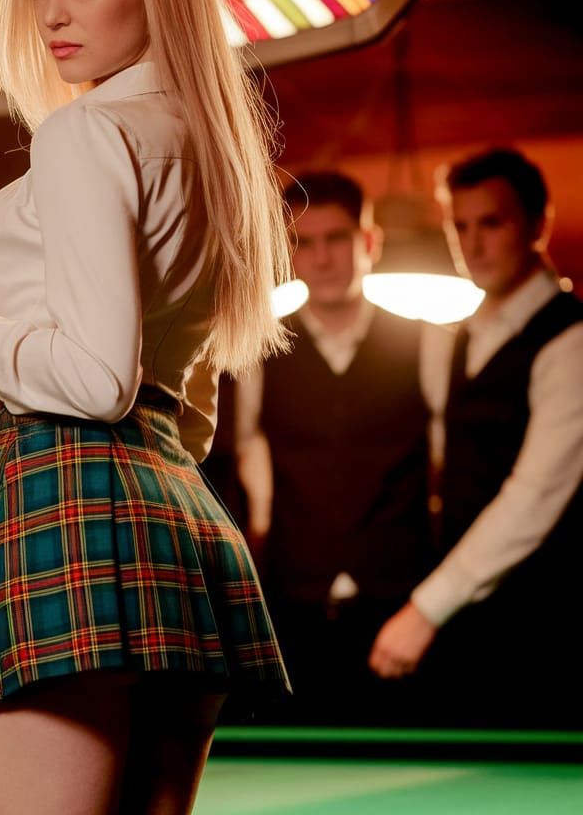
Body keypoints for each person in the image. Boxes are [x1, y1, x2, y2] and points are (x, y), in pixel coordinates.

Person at [0, 0, 291, 814]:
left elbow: (101, 379)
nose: (52, 14)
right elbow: (189, 408)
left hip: (64, 495)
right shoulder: (208, 143)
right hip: (177, 514)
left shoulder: (84, 133)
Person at [369, 148, 583, 727]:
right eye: (459, 227)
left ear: (537, 224)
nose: (473, 245)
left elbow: (535, 495)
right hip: (470, 624)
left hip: (551, 621)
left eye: (492, 223)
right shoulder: (456, 337)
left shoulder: (571, 339)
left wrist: (424, 609)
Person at [235, 171, 432, 724]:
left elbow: (446, 465)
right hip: (293, 609)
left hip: (402, 608)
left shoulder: (426, 341)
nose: (321, 258)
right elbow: (249, 465)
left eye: (337, 239)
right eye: (305, 242)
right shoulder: (258, 352)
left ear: (369, 241)